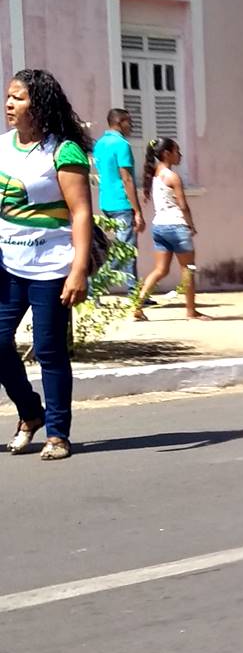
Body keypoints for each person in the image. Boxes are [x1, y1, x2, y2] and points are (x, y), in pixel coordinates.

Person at [0, 68, 93, 460]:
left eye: (18, 98)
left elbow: (81, 212)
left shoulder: (62, 150)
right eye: (8, 96)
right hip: (7, 265)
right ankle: (30, 412)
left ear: (38, 104)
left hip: (51, 267)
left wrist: (78, 270)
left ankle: (58, 434)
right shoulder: (2, 146)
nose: (9, 104)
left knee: (49, 350)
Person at [91, 106, 146, 317]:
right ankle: (95, 288)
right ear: (119, 122)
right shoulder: (121, 144)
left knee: (125, 250)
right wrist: (137, 210)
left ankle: (134, 292)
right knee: (125, 252)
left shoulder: (100, 144)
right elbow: (127, 178)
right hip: (121, 203)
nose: (131, 125)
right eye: (128, 122)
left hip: (106, 201)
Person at [139, 137, 201, 316]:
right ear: (166, 154)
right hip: (177, 226)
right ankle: (191, 311)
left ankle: (137, 304)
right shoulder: (173, 177)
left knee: (160, 270)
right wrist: (191, 225)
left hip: (159, 227)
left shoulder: (154, 175)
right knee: (188, 269)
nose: (180, 155)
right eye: (177, 151)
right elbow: (183, 205)